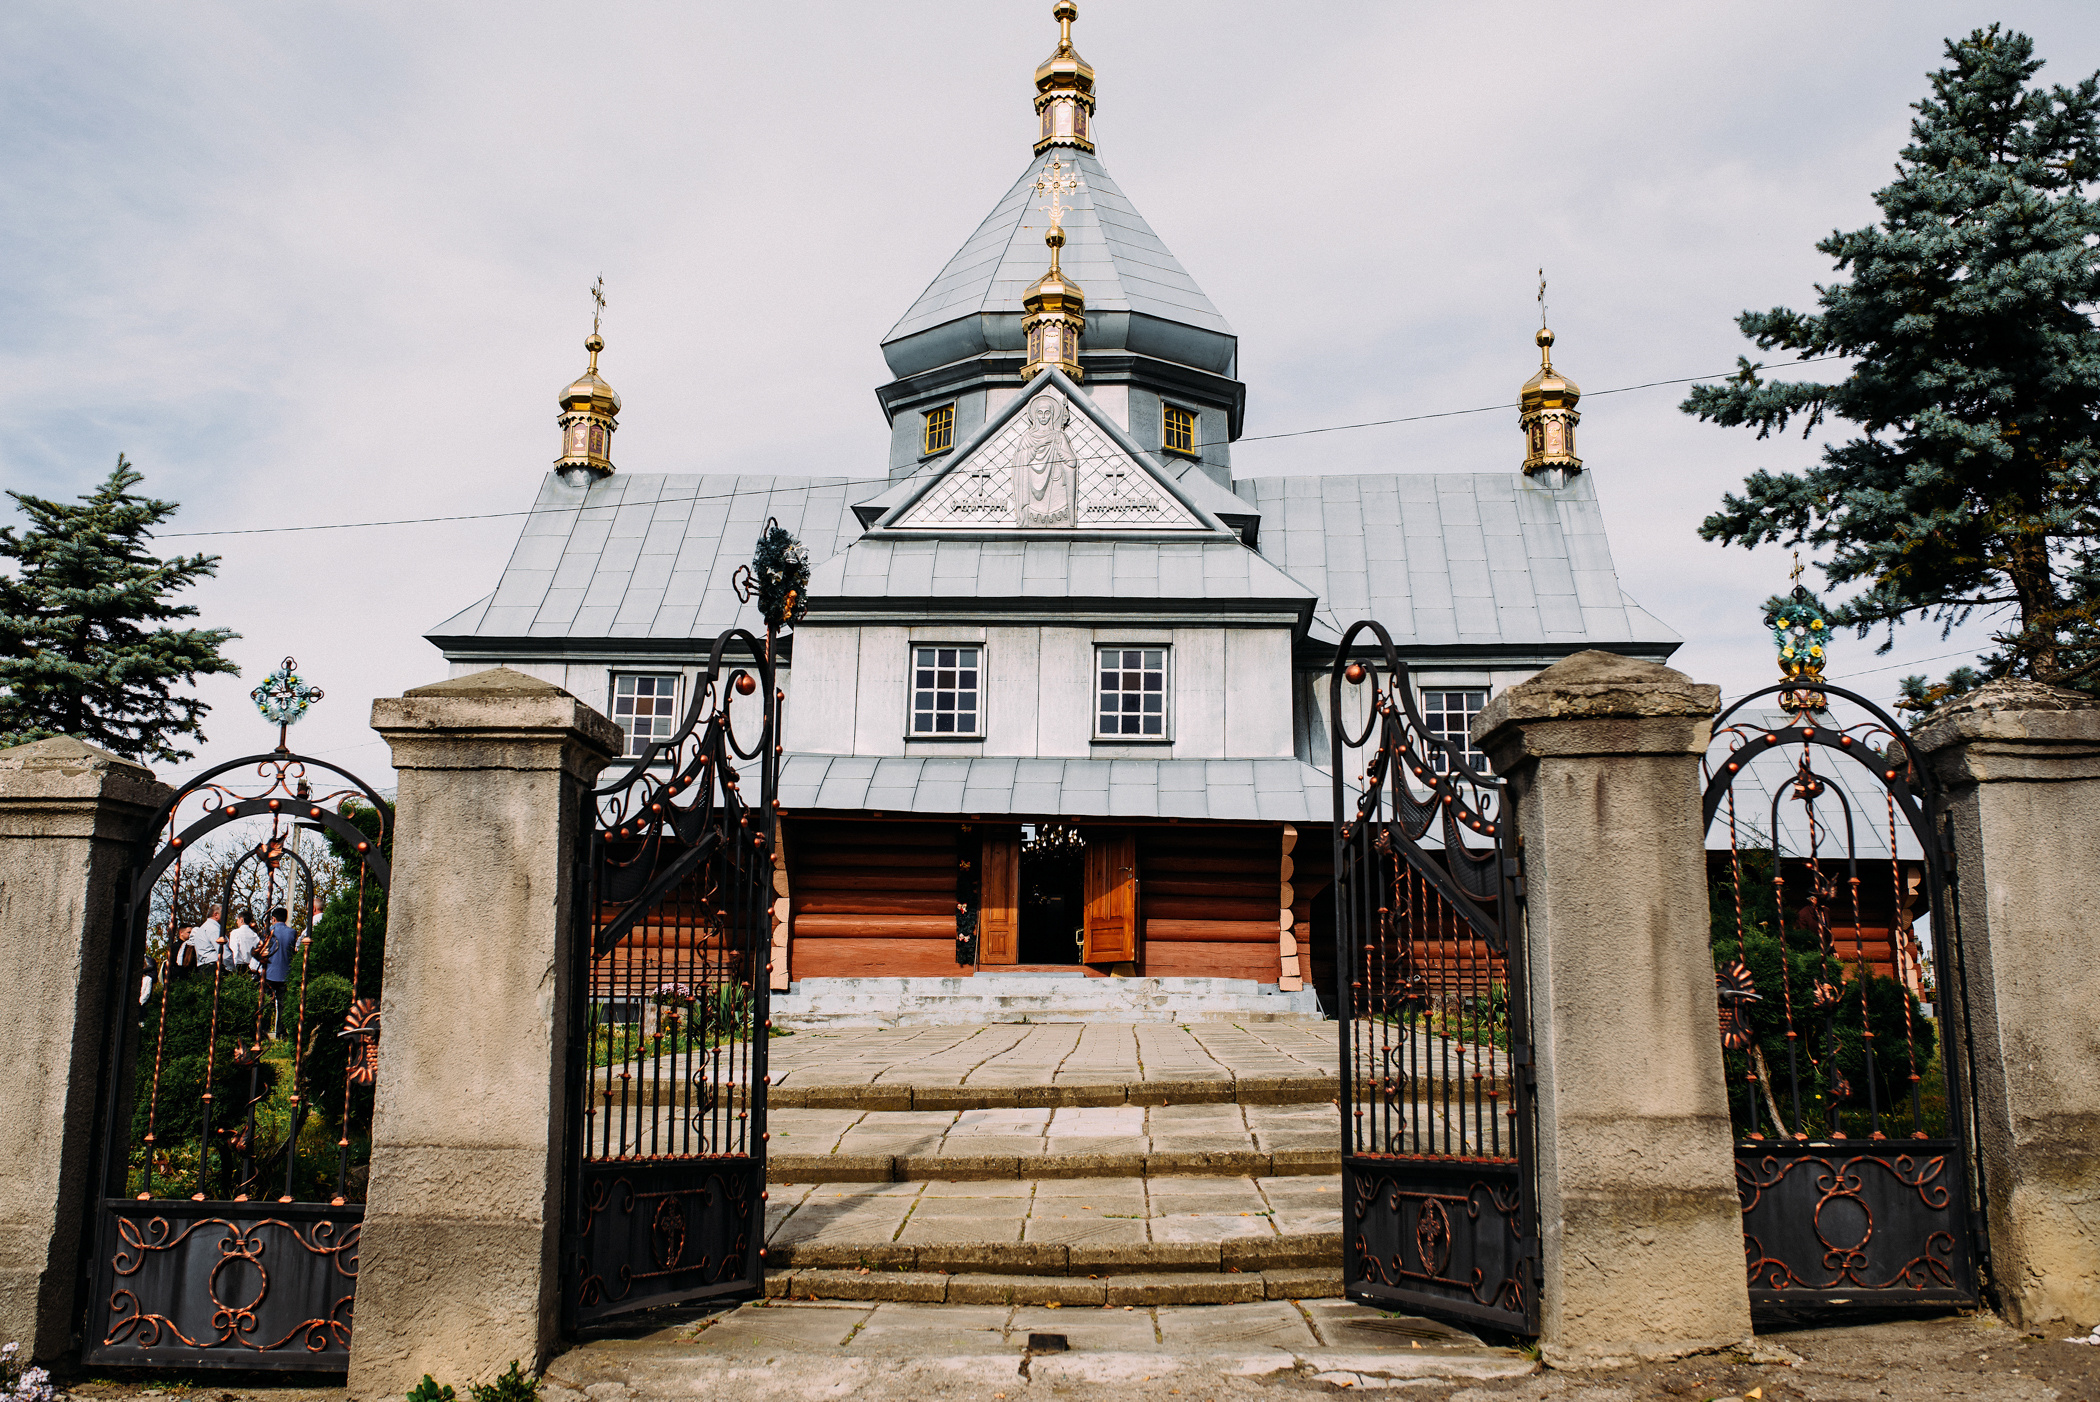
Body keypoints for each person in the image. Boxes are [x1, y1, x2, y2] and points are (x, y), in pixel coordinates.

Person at [263, 905, 299, 1037]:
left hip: (270, 971)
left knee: (268, 1002)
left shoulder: (269, 931)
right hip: (286, 972)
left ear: (273, 919)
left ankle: (264, 1030)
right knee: (283, 1004)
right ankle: (281, 1032)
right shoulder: (292, 932)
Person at [226, 909, 264, 976]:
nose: (237, 922)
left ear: (241, 920)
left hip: (239, 966)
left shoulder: (235, 933)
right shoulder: (254, 935)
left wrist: (231, 969)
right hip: (252, 966)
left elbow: (234, 951)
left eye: (237, 920)